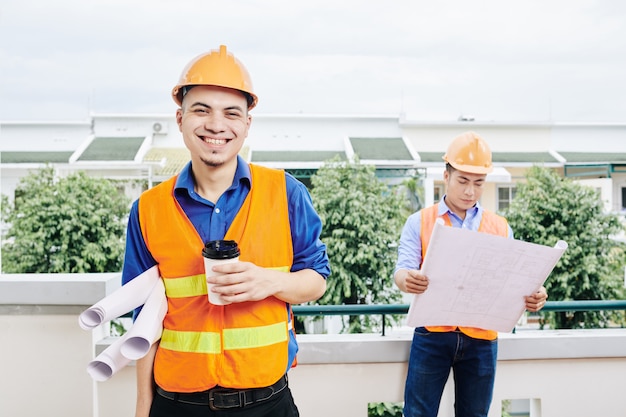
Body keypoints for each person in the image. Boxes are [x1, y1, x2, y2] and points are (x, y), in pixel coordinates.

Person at [120, 45, 330, 417]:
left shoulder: (287, 193)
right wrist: (142, 405)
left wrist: (269, 282)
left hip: (267, 404)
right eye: (201, 110)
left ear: (247, 124)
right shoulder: (148, 210)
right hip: (177, 405)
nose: (216, 125)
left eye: (231, 113)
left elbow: (317, 280)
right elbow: (143, 318)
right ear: (180, 118)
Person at [393, 131, 548, 417]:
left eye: (478, 183)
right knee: (417, 413)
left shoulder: (500, 227)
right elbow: (401, 270)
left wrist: (535, 294)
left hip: (482, 338)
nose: (470, 191)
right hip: (432, 334)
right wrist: (407, 279)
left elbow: (515, 280)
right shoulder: (420, 221)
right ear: (446, 176)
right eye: (463, 181)